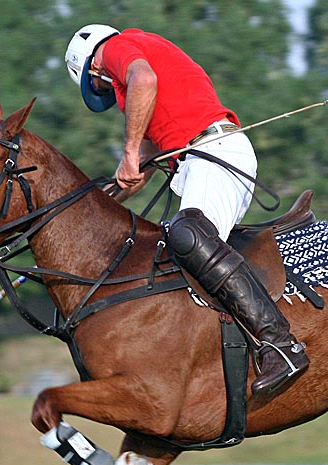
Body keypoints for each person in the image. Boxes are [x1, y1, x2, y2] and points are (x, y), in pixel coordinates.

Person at [64, 24, 309, 397]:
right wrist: (92, 209)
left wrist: (129, 153)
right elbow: (139, 168)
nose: (107, 93)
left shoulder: (116, 49)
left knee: (188, 235)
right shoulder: (144, 57)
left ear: (91, 68)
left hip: (213, 151)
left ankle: (280, 344)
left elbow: (143, 80)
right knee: (169, 252)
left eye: (98, 87)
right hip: (201, 159)